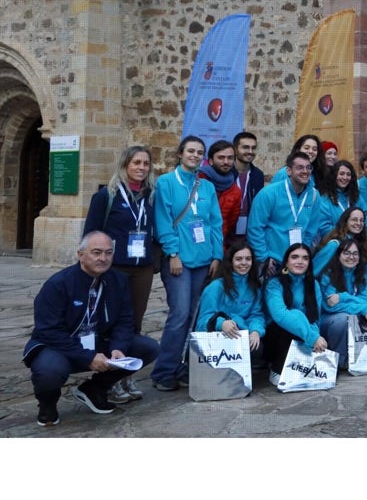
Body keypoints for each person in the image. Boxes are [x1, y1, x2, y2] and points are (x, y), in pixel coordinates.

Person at [24, 231, 160, 427]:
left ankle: (94, 389)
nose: (103, 258)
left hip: (97, 342)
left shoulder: (118, 280)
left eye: (108, 253)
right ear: (81, 255)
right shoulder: (58, 284)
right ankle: (47, 404)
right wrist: (87, 357)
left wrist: (118, 348)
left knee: (148, 347)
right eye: (96, 252)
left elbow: (125, 320)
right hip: (61, 346)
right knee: (49, 370)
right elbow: (48, 331)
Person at [82, 145, 156, 404]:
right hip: (115, 269)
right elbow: (90, 232)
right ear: (125, 164)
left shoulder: (151, 196)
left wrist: (153, 261)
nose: (141, 168)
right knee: (112, 322)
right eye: (136, 162)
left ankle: (127, 373)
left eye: (146, 164)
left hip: (142, 269)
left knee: (135, 322)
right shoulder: (107, 196)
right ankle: (110, 376)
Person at [153, 135, 224, 392]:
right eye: (190, 151)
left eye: (199, 152)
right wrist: (172, 253)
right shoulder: (166, 183)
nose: (195, 155)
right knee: (180, 314)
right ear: (180, 154)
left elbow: (215, 223)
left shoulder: (206, 187)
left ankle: (183, 366)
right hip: (178, 261)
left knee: (195, 316)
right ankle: (163, 371)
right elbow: (162, 219)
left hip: (203, 260)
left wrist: (217, 256)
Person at [248, 151, 327, 277]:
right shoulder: (268, 193)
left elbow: (311, 229)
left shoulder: (314, 195)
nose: (305, 171)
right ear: (289, 171)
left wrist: (301, 254)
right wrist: (263, 257)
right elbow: (255, 228)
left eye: (308, 167)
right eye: (300, 167)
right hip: (272, 261)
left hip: (296, 263)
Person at [263, 243, 327, 385]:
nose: (300, 261)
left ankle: (303, 366)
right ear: (286, 261)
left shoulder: (313, 284)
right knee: (291, 320)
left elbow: (315, 317)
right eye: (295, 257)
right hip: (275, 336)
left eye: (305, 258)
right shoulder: (274, 283)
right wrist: (312, 336)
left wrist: (315, 336)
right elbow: (280, 315)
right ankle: (277, 370)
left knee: (309, 325)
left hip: (304, 336)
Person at [195, 236, 265, 368]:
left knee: (258, 347)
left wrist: (256, 330)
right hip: (218, 336)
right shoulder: (215, 287)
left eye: (248, 259)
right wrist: (221, 324)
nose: (243, 263)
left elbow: (257, 314)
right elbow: (201, 322)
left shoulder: (255, 287)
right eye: (238, 259)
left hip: (241, 334)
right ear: (230, 262)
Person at [316, 237, 367, 368]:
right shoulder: (328, 275)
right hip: (328, 320)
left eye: (355, 253)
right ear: (338, 255)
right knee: (343, 320)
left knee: (363, 318)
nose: (351, 257)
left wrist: (342, 297)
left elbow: (366, 303)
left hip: (354, 317)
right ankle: (339, 361)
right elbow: (330, 306)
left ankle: (359, 357)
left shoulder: (362, 275)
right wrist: (360, 307)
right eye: (346, 253)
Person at [198, 140, 242, 244]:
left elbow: (231, 221)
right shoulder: (197, 181)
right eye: (221, 157)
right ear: (211, 161)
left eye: (230, 158)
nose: (226, 162)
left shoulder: (235, 190)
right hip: (194, 242)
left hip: (218, 242)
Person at [232, 131, 265, 235]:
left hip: (249, 230)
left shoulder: (258, 175)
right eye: (245, 147)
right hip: (227, 229)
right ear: (235, 150)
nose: (250, 151)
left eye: (253, 148)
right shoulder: (226, 173)